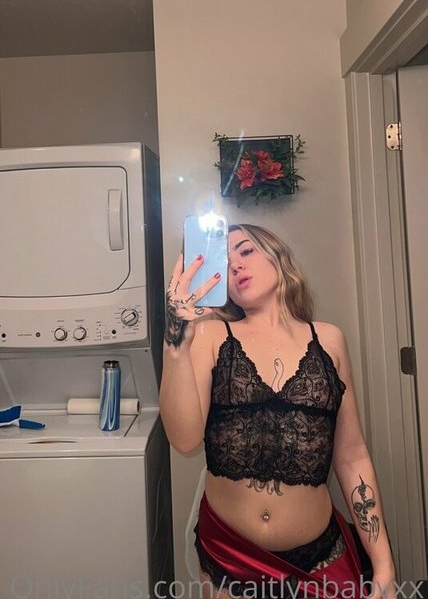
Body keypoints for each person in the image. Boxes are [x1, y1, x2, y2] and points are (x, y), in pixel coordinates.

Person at [159, 223, 396, 599]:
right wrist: (175, 341)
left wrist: (384, 566)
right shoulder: (211, 336)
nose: (236, 265)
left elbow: (352, 456)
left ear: (278, 255)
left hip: (320, 559)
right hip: (229, 558)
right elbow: (184, 439)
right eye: (225, 261)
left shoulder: (329, 340)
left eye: (246, 251)